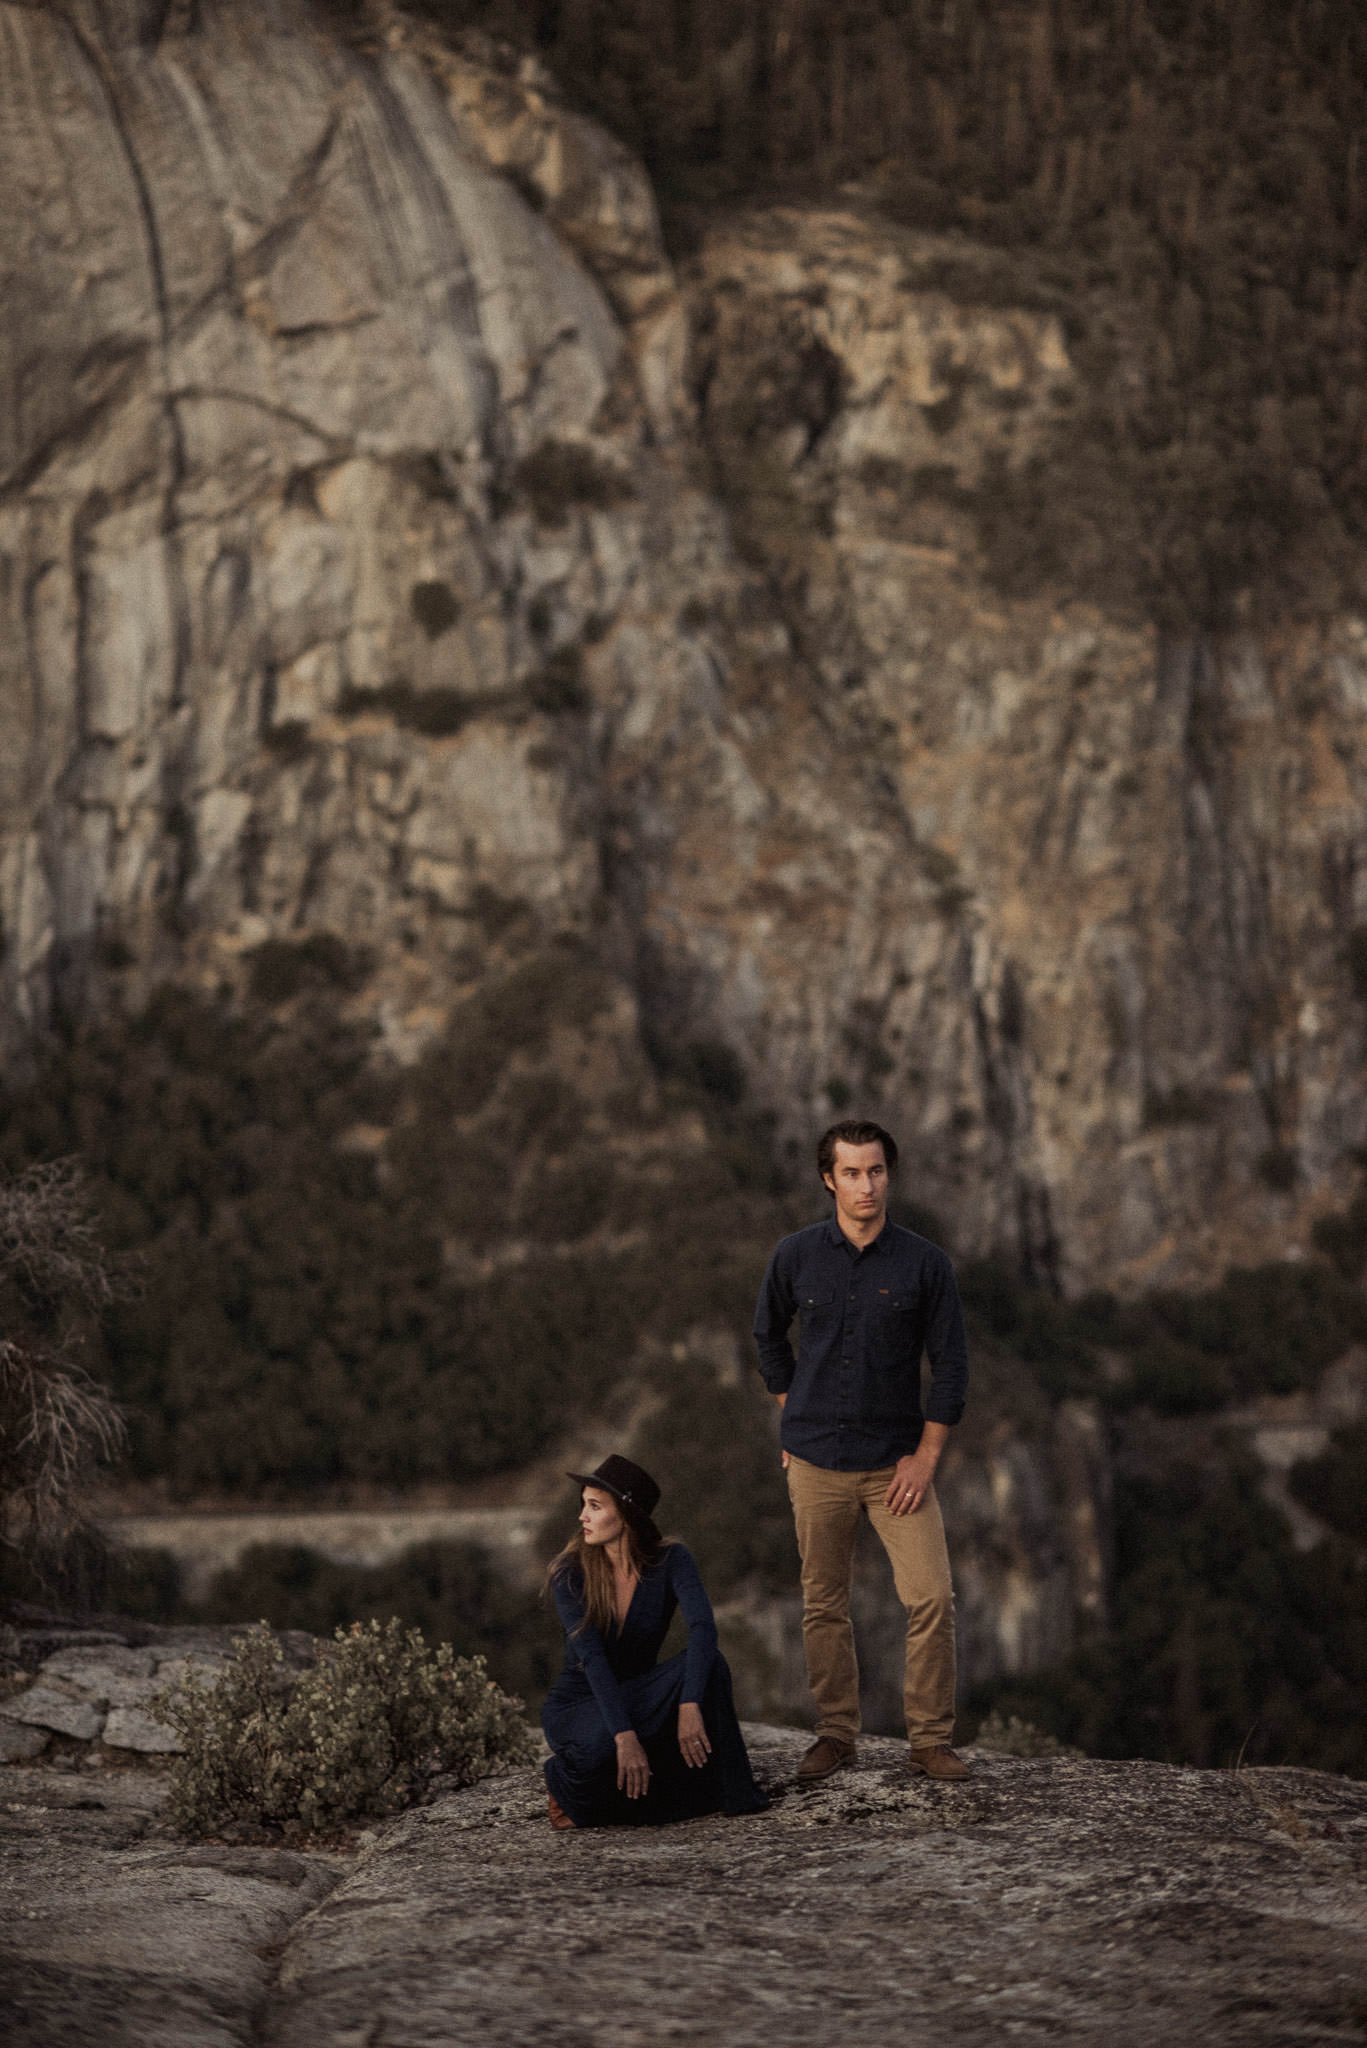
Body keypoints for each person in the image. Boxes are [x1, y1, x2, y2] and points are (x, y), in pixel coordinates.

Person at [752, 1119, 971, 1783]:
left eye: (875, 1170)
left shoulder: (924, 1264)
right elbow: (767, 1339)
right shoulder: (794, 1257)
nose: (865, 1184)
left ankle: (929, 1741)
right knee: (823, 1604)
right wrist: (795, 1417)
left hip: (895, 1466)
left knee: (931, 1597)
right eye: (850, 1172)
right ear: (828, 1179)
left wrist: (925, 1458)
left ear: (887, 1175)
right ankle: (835, 1735)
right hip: (815, 1461)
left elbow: (951, 1364)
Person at [541, 1454, 771, 1829]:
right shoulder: (570, 1572)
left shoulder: (671, 1559)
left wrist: (690, 1702)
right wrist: (625, 1736)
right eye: (583, 1504)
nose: (582, 1516)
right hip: (582, 1704)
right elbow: (593, 1659)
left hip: (639, 1695)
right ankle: (563, 1785)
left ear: (628, 1515)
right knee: (604, 1749)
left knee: (709, 1664)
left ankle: (734, 1792)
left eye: (594, 1506)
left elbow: (703, 1629)